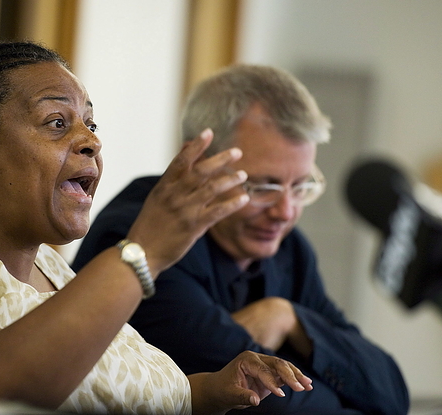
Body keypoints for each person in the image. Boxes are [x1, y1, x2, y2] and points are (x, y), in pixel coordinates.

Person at [0, 42, 314, 415]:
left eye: (90, 125)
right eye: (57, 122)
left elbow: (107, 390)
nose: (90, 142)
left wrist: (209, 391)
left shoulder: (56, 273)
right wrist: (142, 251)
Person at [73, 64, 410, 414]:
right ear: (197, 163)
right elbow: (271, 406)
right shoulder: (141, 237)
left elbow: (391, 392)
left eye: (301, 187)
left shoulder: (289, 251)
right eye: (264, 186)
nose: (285, 212)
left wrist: (290, 319)